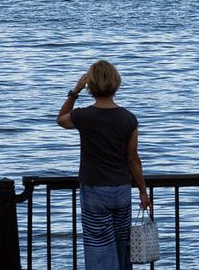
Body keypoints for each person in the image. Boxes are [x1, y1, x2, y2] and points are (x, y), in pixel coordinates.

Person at [57, 60, 151, 270]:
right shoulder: (128, 118)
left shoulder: (83, 115)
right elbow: (133, 159)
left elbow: (60, 120)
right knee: (122, 243)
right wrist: (143, 192)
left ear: (90, 86)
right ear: (116, 83)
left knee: (98, 244)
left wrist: (74, 91)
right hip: (121, 188)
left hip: (94, 189)